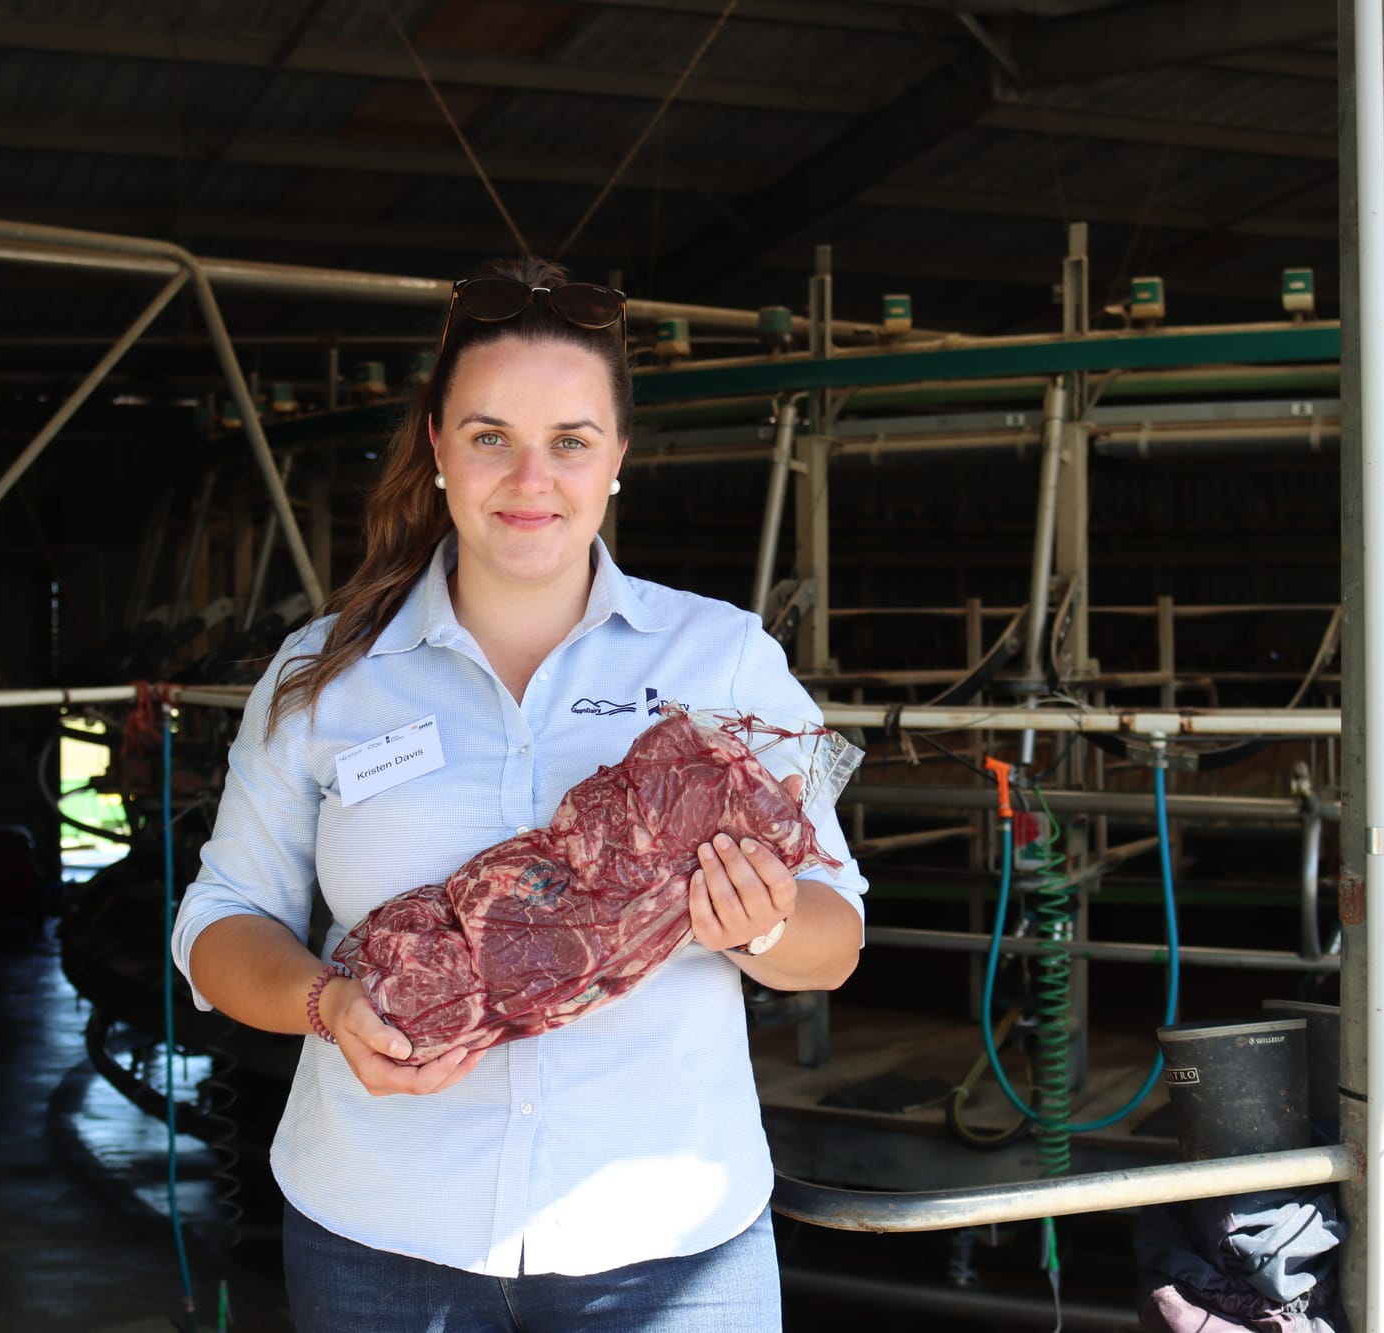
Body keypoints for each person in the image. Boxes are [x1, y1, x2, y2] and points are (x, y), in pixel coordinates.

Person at [171, 256, 867, 1332]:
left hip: (667, 1241)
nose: (528, 479)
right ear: (438, 447)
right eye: (491, 436)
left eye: (570, 443)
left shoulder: (718, 659)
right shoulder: (324, 677)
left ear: (617, 459)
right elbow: (220, 922)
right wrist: (327, 1004)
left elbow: (834, 940)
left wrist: (762, 926)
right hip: (381, 1231)